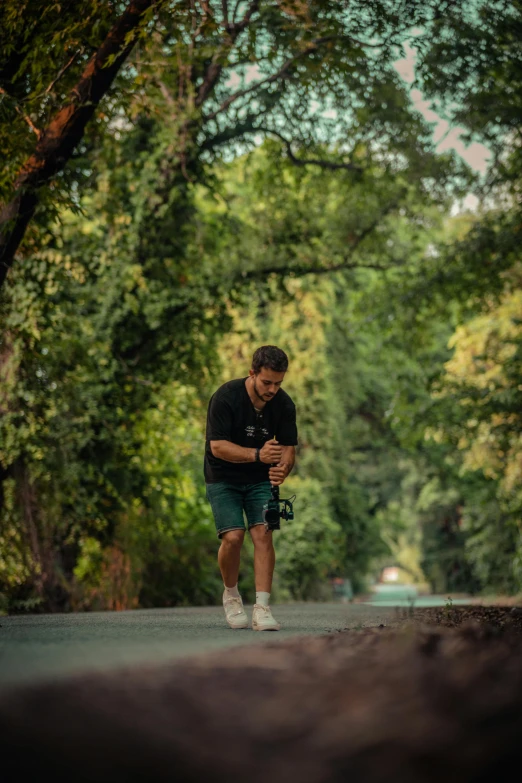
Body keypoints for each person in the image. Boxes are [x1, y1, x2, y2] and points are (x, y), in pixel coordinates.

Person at [204, 345, 298, 631]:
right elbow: (217, 447)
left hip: (260, 479)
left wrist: (283, 469)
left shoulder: (283, 404)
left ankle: (262, 608)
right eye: (267, 382)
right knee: (233, 537)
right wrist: (257, 455)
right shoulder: (225, 397)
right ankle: (231, 595)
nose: (272, 389)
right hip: (223, 476)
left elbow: (288, 448)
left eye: (278, 383)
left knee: (263, 532)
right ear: (252, 373)